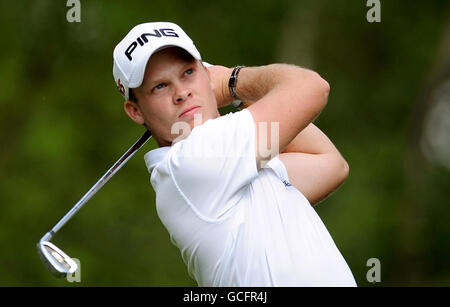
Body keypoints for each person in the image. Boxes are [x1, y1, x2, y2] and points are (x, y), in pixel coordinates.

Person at [113, 21, 357, 286]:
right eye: (160, 86)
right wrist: (231, 81)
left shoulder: (235, 164)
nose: (181, 92)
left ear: (206, 74)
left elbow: (329, 163)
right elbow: (312, 87)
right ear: (135, 111)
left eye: (188, 73)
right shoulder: (191, 162)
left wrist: (239, 97)